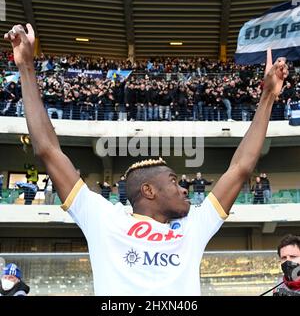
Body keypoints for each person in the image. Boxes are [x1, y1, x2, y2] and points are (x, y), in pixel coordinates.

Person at [4, 24, 288, 295]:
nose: (184, 189)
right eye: (174, 182)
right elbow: (48, 150)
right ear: (148, 190)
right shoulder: (104, 219)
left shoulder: (193, 226)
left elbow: (240, 168)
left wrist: (267, 97)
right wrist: (27, 68)